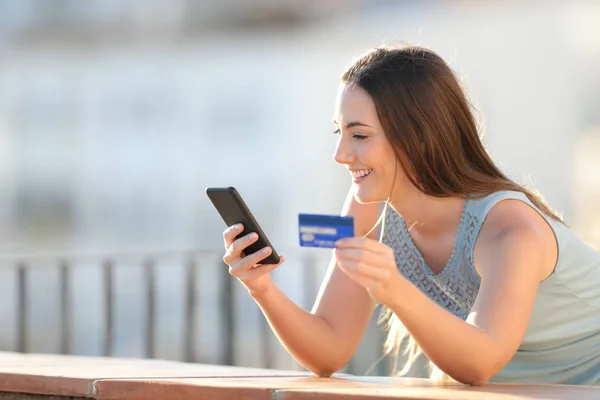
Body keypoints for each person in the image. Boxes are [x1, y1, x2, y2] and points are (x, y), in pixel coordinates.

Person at [221, 44, 600, 386]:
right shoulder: (367, 206)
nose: (340, 154)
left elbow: (480, 362)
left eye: (360, 135)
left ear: (416, 137)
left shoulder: (511, 231)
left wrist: (396, 290)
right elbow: (329, 349)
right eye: (338, 132)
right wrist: (262, 288)